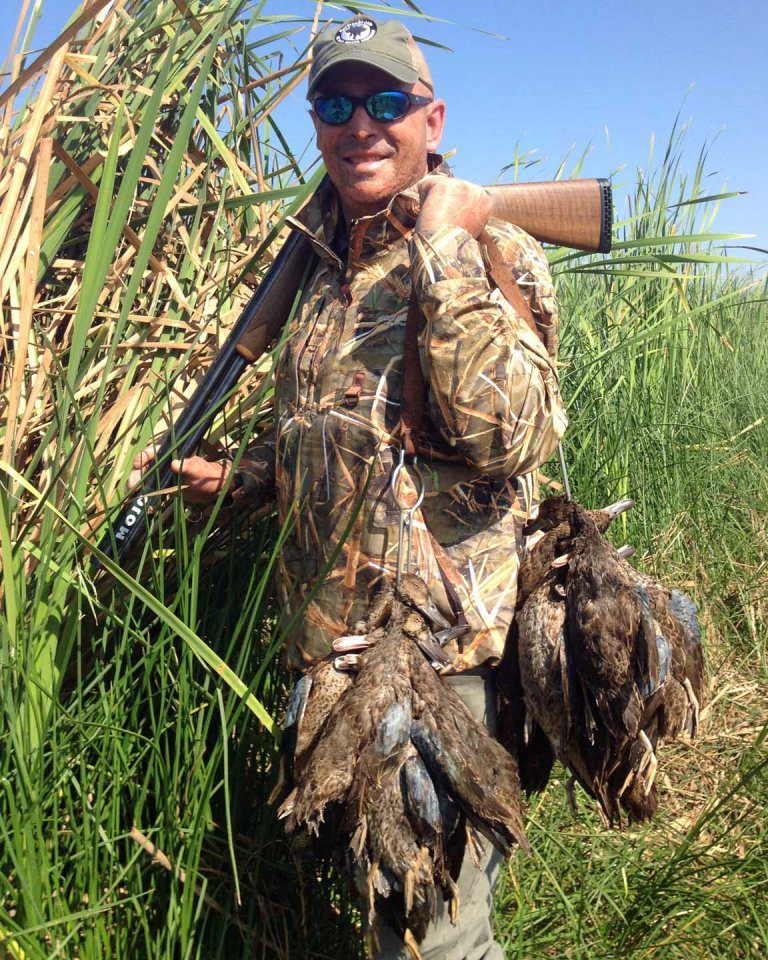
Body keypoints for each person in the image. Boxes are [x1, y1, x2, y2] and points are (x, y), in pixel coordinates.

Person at [131, 15, 566, 958]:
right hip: (333, 650)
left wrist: (445, 250)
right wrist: (242, 481)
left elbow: (510, 436)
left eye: (385, 102)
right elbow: (350, 443)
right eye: (335, 103)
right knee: (388, 919)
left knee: (440, 937)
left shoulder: (498, 253)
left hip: (442, 659)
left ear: (432, 117)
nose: (359, 124)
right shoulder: (320, 270)